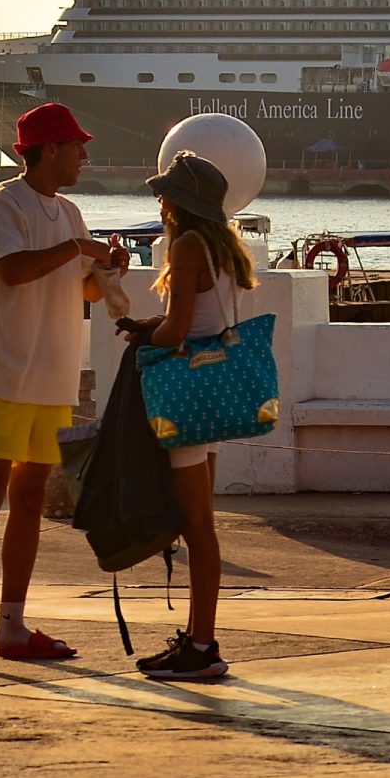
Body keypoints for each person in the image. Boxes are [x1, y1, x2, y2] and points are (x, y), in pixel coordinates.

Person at [0, 103, 126, 677]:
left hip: (51, 380)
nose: (84, 156)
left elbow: (86, 293)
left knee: (27, 503)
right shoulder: (2, 204)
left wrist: (105, 269)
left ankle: (12, 624)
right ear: (48, 150)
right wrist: (80, 251)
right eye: (75, 146)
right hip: (0, 374)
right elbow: (12, 270)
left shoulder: (70, 212)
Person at [121, 151, 257, 681]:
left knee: (196, 526)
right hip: (213, 393)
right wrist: (151, 323)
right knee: (203, 525)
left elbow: (177, 333)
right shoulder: (220, 247)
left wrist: (144, 335)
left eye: (165, 193)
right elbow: (199, 319)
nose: (159, 200)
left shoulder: (184, 245)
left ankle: (202, 646)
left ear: (179, 202)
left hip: (187, 398)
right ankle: (201, 638)